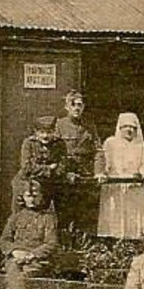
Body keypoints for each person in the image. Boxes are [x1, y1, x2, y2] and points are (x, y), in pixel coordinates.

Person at [95, 112, 144, 239]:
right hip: (115, 186)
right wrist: (104, 172)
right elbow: (104, 161)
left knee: (135, 218)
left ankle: (134, 244)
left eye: (133, 127)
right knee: (115, 216)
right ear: (120, 127)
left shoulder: (141, 147)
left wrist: (141, 174)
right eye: (126, 126)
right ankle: (114, 244)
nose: (129, 130)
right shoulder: (110, 143)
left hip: (134, 187)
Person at [53, 89, 99, 234]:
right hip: (66, 177)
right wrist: (65, 172)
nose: (77, 108)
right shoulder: (59, 125)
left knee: (84, 214)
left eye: (80, 105)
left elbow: (98, 150)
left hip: (85, 175)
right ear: (66, 107)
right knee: (64, 215)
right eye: (73, 105)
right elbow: (55, 152)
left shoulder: (89, 126)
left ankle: (82, 247)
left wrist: (99, 171)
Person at [12, 115, 65, 209]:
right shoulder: (29, 143)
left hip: (48, 183)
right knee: (23, 213)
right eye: (42, 132)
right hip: (27, 183)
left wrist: (57, 170)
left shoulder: (59, 144)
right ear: (36, 132)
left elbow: (62, 164)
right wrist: (48, 169)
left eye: (49, 132)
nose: (45, 136)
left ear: (54, 132)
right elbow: (26, 166)